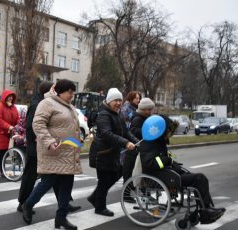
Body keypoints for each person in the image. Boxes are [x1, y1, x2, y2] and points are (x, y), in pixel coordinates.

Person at [139, 115, 225, 224]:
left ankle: (206, 209)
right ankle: (205, 211)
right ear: (160, 131)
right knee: (199, 178)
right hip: (160, 177)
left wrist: (172, 163)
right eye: (168, 131)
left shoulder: (157, 142)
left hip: (166, 174)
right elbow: (150, 163)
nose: (170, 134)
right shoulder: (148, 144)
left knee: (198, 180)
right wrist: (168, 160)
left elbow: (160, 160)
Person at [21, 79, 82, 230]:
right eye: (69, 92)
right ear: (60, 91)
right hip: (53, 151)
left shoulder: (69, 106)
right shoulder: (46, 103)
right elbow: (38, 124)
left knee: (67, 185)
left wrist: (78, 138)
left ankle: (61, 218)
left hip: (68, 152)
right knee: (47, 182)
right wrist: (49, 141)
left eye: (73, 92)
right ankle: (28, 205)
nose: (71, 95)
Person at [88, 88, 138, 216]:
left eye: (120, 100)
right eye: (116, 100)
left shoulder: (117, 113)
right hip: (102, 153)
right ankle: (100, 207)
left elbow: (126, 132)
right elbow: (107, 134)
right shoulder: (104, 114)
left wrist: (137, 141)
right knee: (104, 180)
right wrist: (126, 143)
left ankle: (94, 197)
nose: (118, 103)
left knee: (117, 173)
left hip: (113, 152)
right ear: (109, 101)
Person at [122, 97, 155, 203]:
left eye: (151, 109)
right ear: (143, 109)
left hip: (141, 149)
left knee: (142, 173)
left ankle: (146, 194)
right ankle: (126, 196)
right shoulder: (138, 118)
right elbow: (133, 131)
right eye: (148, 109)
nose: (150, 111)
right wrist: (147, 131)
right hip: (134, 150)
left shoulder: (144, 117)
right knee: (131, 173)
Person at [0, 90, 19, 177]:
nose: (10, 98)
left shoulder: (13, 107)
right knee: (3, 152)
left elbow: (17, 117)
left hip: (9, 132)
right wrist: (9, 126)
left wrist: (18, 125)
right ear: (4, 97)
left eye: (12, 96)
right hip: (0, 132)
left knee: (7, 152)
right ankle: (2, 171)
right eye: (9, 96)